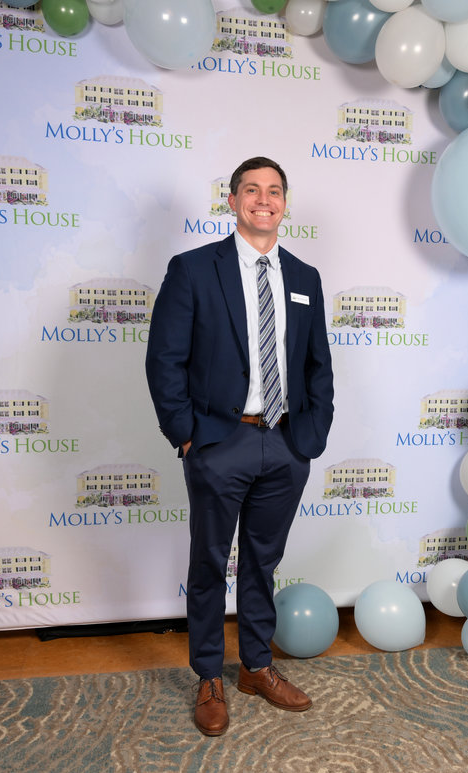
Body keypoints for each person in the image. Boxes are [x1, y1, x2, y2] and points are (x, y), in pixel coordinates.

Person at [146, 156, 333, 736]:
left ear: (285, 203)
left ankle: (255, 666)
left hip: (286, 442)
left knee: (262, 562)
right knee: (209, 563)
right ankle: (209, 675)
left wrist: (312, 434)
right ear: (232, 201)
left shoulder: (304, 277)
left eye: (274, 191)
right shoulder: (193, 269)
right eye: (251, 190)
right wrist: (186, 434)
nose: (263, 200)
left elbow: (318, 365)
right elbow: (164, 359)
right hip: (219, 442)